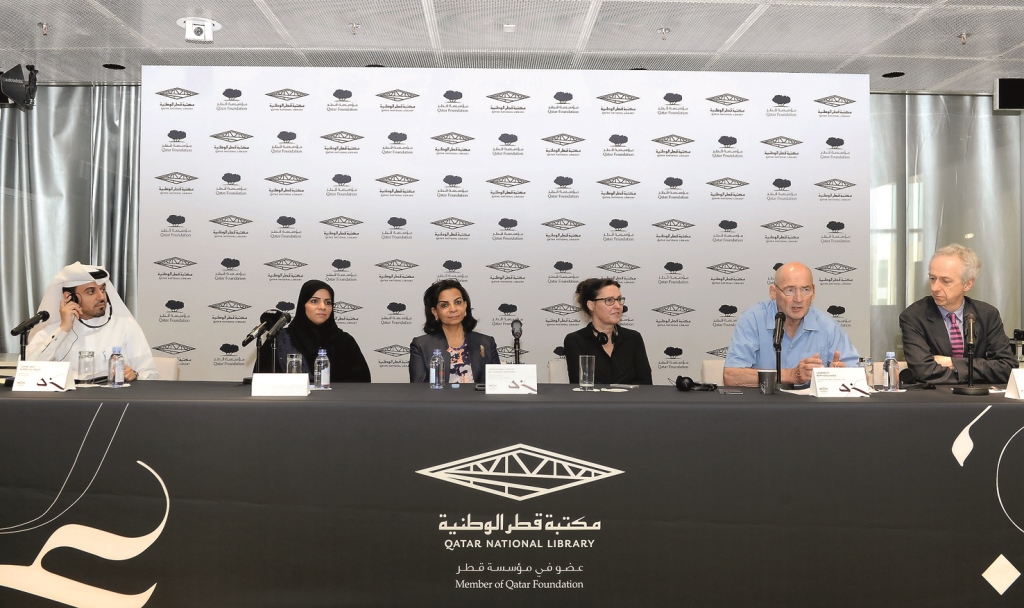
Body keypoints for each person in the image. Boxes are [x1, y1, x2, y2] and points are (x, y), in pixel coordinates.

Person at [724, 262, 858, 387]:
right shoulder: (753, 319)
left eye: (805, 289)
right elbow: (731, 376)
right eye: (790, 290)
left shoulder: (827, 325)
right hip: (763, 407)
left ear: (814, 291)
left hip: (810, 409)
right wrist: (791, 375)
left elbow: (857, 373)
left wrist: (838, 375)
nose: (798, 299)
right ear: (773, 292)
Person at [900, 243, 1016, 385]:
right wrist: (974, 370)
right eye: (932, 278)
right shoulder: (913, 316)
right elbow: (923, 370)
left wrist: (951, 362)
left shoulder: (987, 314)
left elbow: (1007, 368)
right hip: (935, 400)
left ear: (967, 284)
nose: (935, 288)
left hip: (980, 400)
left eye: (945, 281)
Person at [26, 262, 158, 380]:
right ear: (69, 297)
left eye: (103, 290)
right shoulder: (51, 331)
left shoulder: (125, 326)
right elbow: (28, 371)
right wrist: (63, 329)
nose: (101, 297)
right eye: (91, 292)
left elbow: (151, 374)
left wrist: (134, 374)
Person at [254, 280, 371, 382]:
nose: (322, 307)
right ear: (302, 305)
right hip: (289, 406)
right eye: (314, 301)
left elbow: (361, 385)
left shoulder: (344, 342)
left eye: (328, 302)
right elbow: (263, 381)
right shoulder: (279, 341)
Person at [563, 278, 652, 385]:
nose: (618, 306)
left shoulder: (633, 338)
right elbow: (581, 383)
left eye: (619, 299)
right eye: (609, 300)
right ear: (591, 305)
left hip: (629, 401)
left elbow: (646, 384)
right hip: (594, 401)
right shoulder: (576, 340)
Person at [409, 279, 499, 384]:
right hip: (439, 400)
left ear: (465, 305)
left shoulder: (486, 342)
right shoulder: (421, 345)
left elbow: (497, 385)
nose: (453, 309)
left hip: (478, 401)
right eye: (445, 305)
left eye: (458, 302)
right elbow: (418, 389)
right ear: (435, 312)